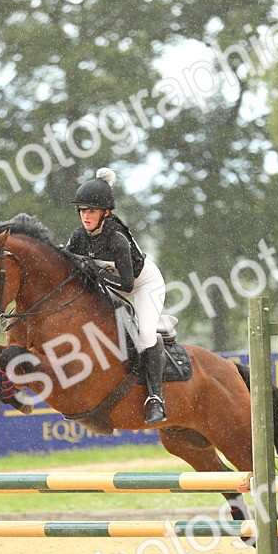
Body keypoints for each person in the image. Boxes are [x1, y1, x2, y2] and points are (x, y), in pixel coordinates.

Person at [64, 167, 169, 424]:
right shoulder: (80, 236)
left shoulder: (117, 238)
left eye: (91, 211)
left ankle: (156, 399)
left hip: (143, 285)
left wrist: (97, 275)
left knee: (145, 334)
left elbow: (128, 284)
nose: (85, 216)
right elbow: (66, 263)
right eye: (82, 211)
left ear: (105, 213)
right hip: (114, 286)